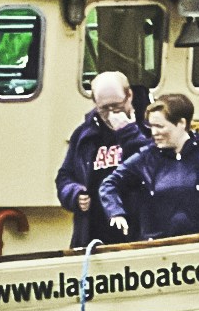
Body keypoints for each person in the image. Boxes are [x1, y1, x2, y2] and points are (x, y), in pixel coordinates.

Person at [100, 90, 199, 242]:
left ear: (181, 123)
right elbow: (109, 184)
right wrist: (116, 212)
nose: (154, 133)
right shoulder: (145, 158)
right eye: (151, 126)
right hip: (157, 249)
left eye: (160, 126)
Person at [57, 69, 145, 250]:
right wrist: (74, 194)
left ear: (129, 96)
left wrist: (128, 133)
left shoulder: (150, 127)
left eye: (116, 105)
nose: (111, 113)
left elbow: (153, 166)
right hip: (92, 234)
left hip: (138, 230)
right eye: (104, 108)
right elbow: (64, 176)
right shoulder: (84, 134)